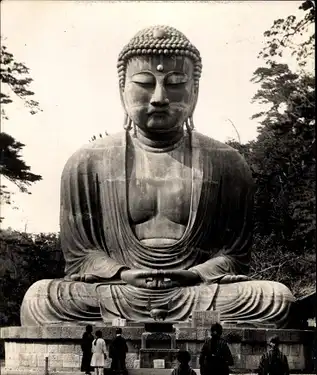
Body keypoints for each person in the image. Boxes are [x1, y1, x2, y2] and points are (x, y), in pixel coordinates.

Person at [21, 25, 295, 328]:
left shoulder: (228, 164)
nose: (160, 97)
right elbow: (82, 255)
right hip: (118, 290)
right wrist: (123, 273)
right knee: (41, 298)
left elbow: (233, 255)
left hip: (196, 291)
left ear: (195, 91)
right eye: (144, 83)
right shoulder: (87, 162)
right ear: (122, 88)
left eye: (176, 83)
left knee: (276, 298)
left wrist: (194, 274)